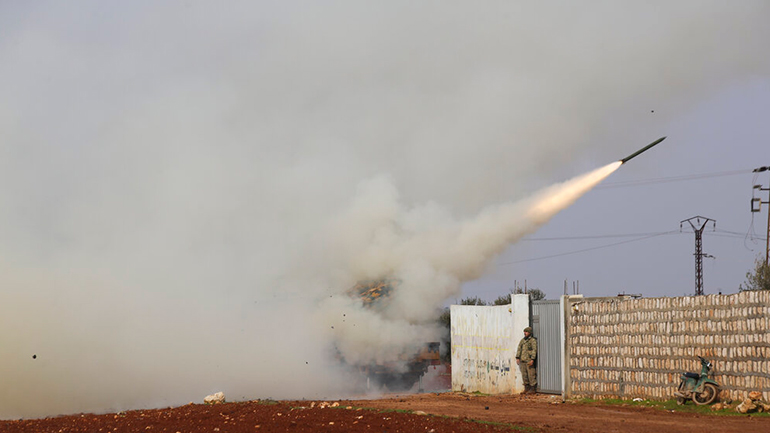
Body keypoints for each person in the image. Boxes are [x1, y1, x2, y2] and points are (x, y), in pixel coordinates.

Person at [516, 326, 537, 393]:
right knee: (524, 375)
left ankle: (533, 388)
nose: (525, 333)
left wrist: (532, 359)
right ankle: (527, 388)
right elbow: (519, 348)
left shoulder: (532, 341)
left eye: (526, 332)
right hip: (523, 360)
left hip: (528, 360)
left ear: (530, 333)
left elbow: (534, 350)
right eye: (524, 332)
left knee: (531, 375)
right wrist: (518, 357)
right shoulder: (523, 340)